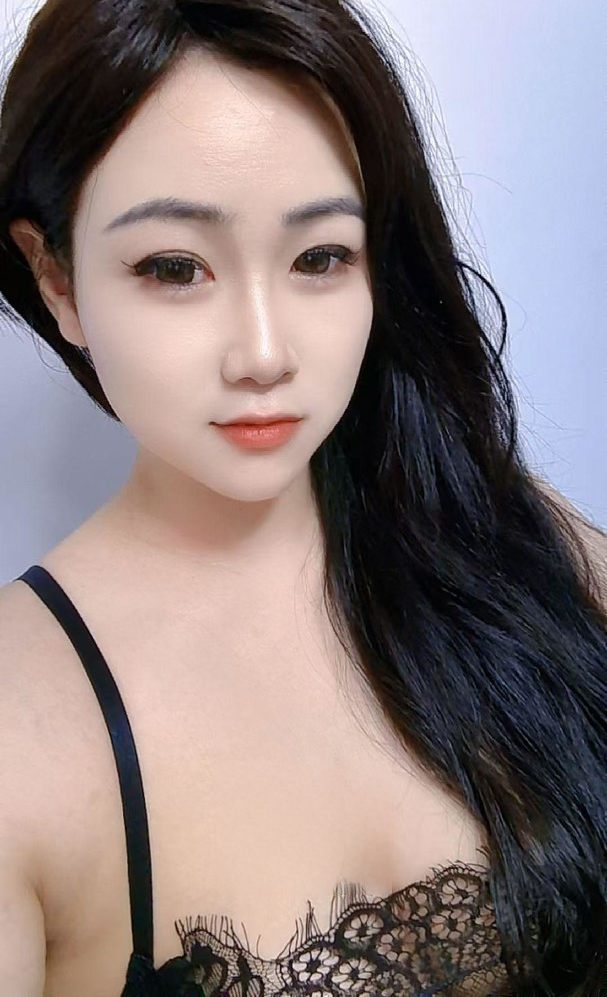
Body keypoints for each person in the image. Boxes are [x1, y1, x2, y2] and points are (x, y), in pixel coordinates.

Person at [0, 1, 604, 995]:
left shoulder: (512, 542)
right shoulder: (22, 725)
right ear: (55, 277)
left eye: (319, 257)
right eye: (175, 267)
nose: (263, 354)